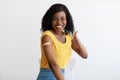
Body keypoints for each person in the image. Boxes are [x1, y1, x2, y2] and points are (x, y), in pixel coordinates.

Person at [37, 3, 88, 80]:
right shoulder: (47, 37)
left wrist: (78, 41)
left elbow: (85, 55)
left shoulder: (68, 36)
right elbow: (53, 64)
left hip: (60, 76)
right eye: (55, 19)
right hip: (47, 76)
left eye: (62, 18)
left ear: (67, 20)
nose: (59, 22)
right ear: (50, 20)